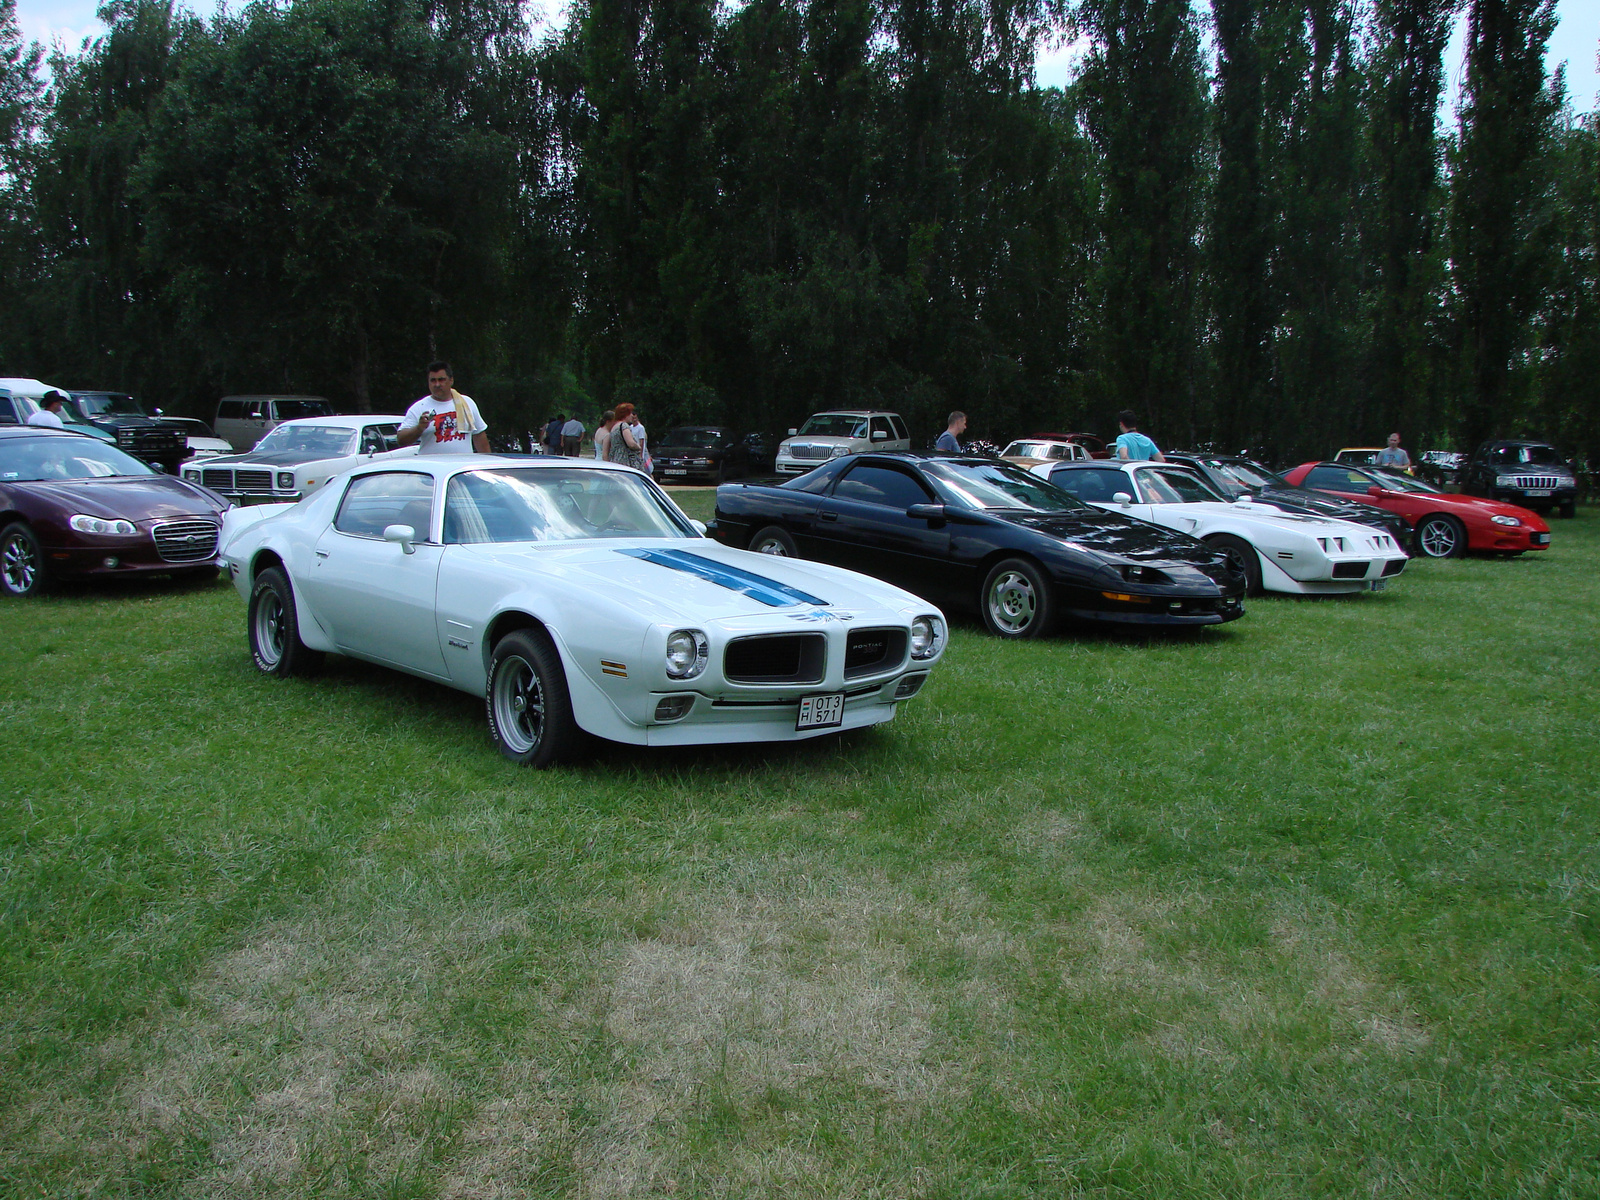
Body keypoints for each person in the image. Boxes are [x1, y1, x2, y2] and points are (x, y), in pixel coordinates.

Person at [396, 361, 490, 454]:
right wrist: (419, 428)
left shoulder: (467, 403)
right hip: (433, 467)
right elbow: (401, 440)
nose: (437, 384)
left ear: (451, 380)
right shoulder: (419, 407)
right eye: (433, 380)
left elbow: (479, 435)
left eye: (441, 380)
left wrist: (487, 463)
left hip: (462, 467)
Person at [610, 402, 647, 471]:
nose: (632, 416)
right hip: (625, 462)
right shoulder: (624, 426)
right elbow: (631, 444)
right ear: (625, 415)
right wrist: (638, 447)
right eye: (630, 414)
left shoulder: (614, 427)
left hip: (616, 460)